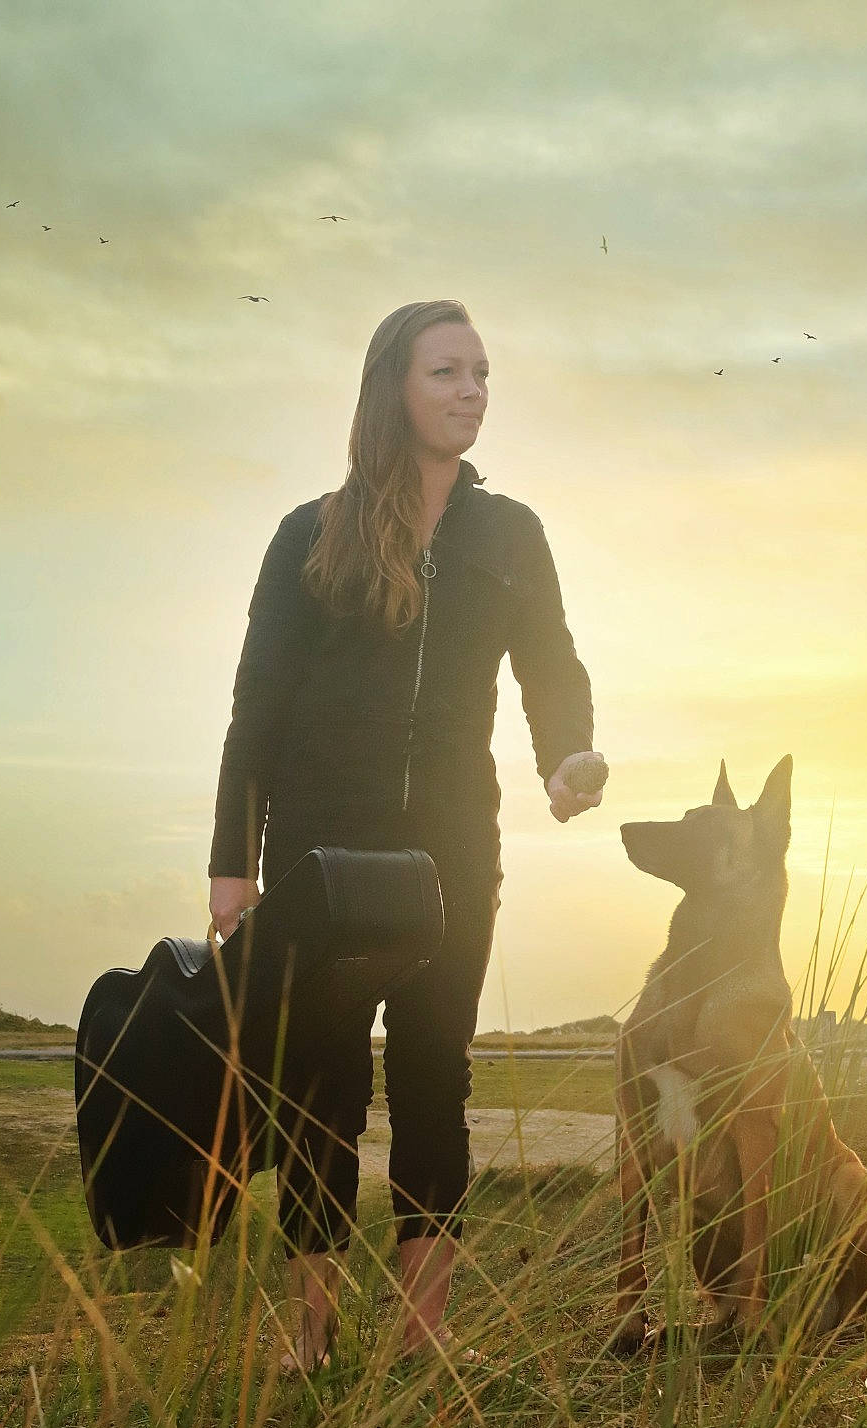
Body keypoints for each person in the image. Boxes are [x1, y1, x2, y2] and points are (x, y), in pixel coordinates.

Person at [207, 298, 604, 1370]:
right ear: (395, 388)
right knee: (322, 1081)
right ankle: (313, 1321)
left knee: (435, 1072)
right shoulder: (310, 535)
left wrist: (566, 755)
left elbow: (551, 667)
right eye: (446, 372)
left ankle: (427, 1337)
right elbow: (258, 707)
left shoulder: (511, 534)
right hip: (318, 858)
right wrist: (231, 864)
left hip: (451, 855)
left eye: (481, 372)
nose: (472, 389)